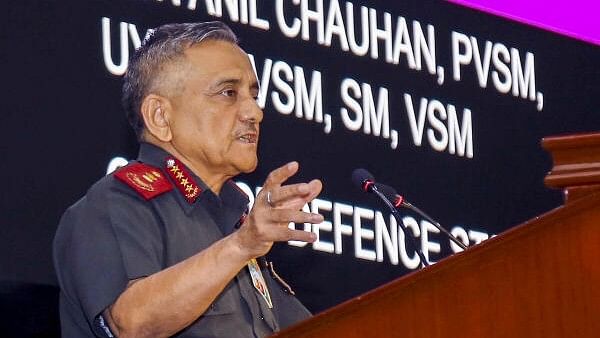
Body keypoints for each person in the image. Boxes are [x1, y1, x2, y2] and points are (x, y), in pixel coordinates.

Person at [53, 21, 324, 338]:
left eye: (253, 94)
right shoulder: (113, 206)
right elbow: (130, 322)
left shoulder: (236, 223)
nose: (254, 112)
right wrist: (240, 246)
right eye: (228, 93)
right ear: (160, 116)